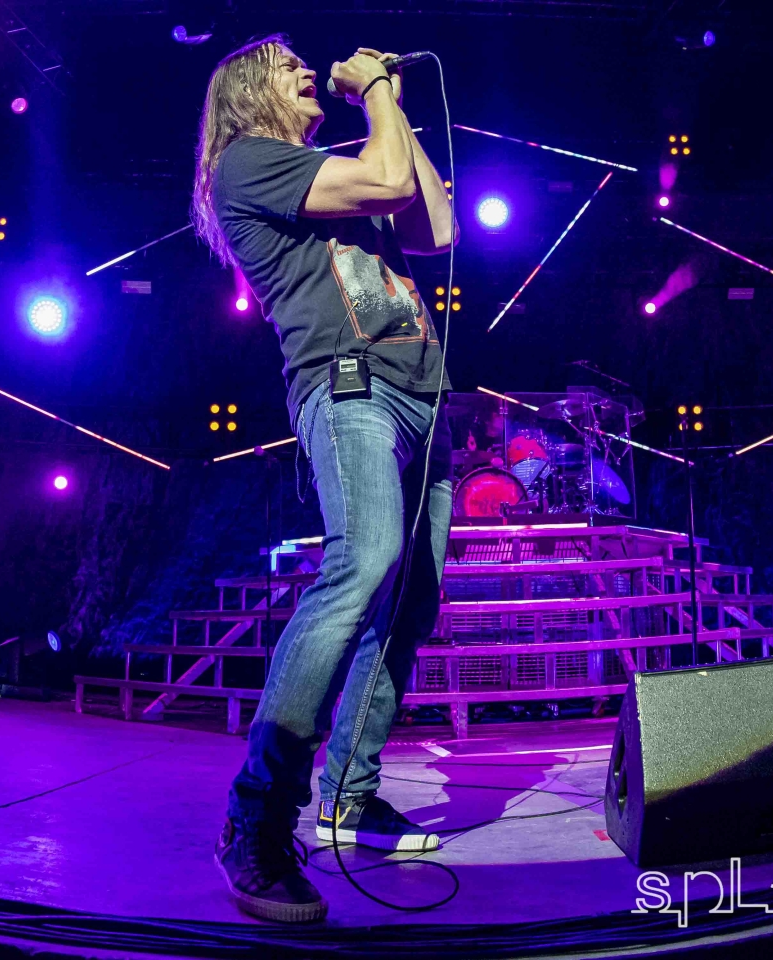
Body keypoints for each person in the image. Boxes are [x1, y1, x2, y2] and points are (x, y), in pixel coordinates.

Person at [192, 35, 457, 923]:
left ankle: (350, 793)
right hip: (349, 390)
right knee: (364, 559)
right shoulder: (249, 163)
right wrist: (375, 88)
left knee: (410, 600)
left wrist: (390, 105)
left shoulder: (339, 167)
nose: (308, 70)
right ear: (248, 94)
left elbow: (435, 226)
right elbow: (387, 180)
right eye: (287, 66)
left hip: (422, 396)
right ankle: (257, 817)